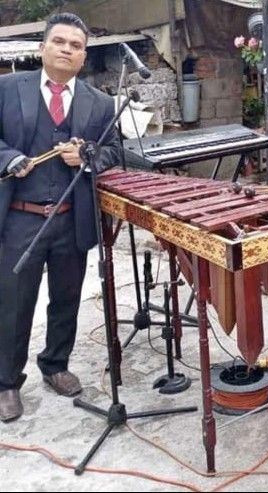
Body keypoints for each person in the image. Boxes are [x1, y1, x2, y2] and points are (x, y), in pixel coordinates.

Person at [0, 12, 120, 422]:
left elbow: (115, 153)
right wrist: (10, 157)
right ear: (43, 47)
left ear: (84, 56)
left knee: (66, 298)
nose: (67, 49)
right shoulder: (6, 88)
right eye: (60, 42)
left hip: (71, 217)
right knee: (14, 303)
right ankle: (6, 382)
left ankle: (55, 364)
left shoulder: (100, 103)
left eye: (76, 45)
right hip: (20, 218)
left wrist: (87, 157)